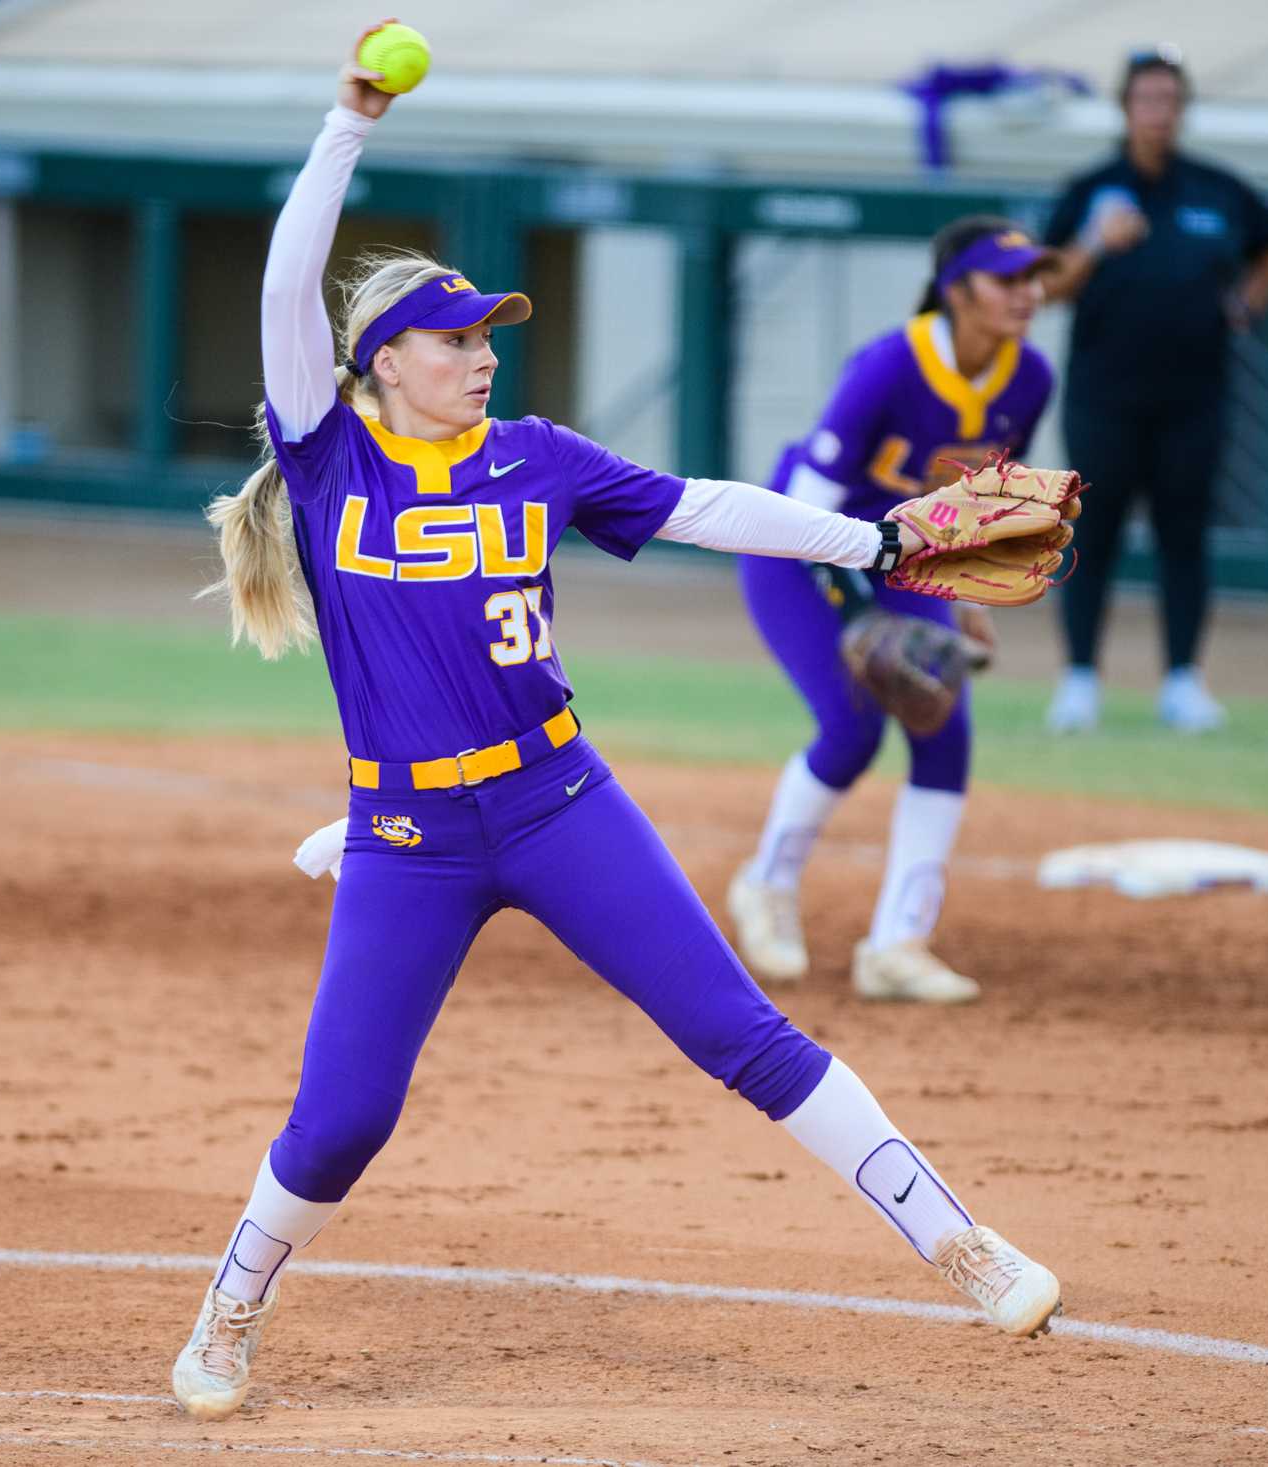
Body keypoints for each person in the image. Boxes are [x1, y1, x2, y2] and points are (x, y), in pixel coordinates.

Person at [168, 24, 1063, 1422]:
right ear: (385, 360)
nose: (482, 356)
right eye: (458, 339)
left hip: (559, 801)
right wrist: (347, 125)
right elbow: (292, 282)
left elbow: (706, 503)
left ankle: (960, 1241)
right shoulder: (328, 450)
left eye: (487, 338)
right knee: (344, 1116)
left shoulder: (538, 457)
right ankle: (233, 1303)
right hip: (410, 833)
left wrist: (877, 545)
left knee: (740, 1031)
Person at [729, 216, 1055, 1003]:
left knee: (944, 724)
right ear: (957, 289)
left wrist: (968, 592)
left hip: (903, 557)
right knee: (852, 727)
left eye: (1033, 277)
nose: (1027, 293)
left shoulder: (1031, 376)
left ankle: (897, 945)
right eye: (1006, 279)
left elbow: (982, 502)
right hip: (801, 551)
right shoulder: (886, 367)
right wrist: (856, 616)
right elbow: (805, 511)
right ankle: (764, 885)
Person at [1039, 47, 1268, 734]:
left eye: (1171, 100)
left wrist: (1248, 301)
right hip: (1104, 400)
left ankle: (1183, 681)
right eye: (1147, 99)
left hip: (1194, 399)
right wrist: (1095, 241)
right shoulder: (1090, 189)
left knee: (1184, 539)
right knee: (1089, 537)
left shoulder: (1217, 190)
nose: (1159, 112)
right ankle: (1079, 683)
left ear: (1183, 110)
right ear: (1126, 108)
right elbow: (1047, 285)